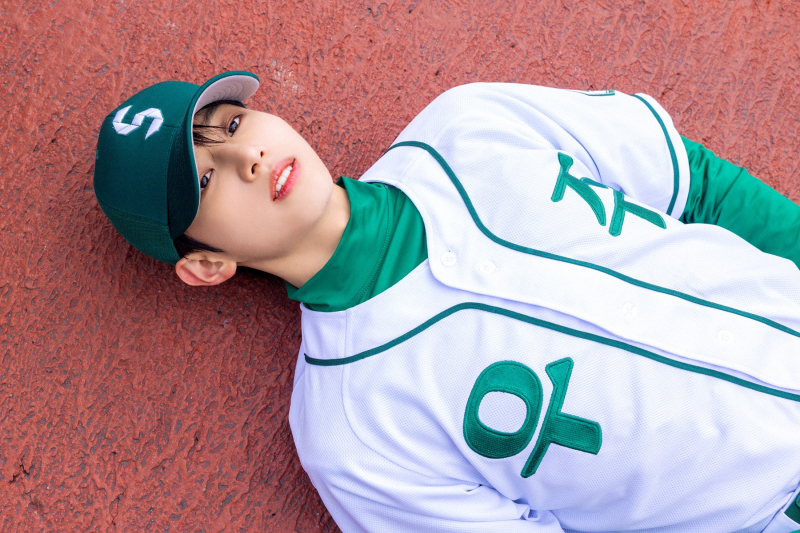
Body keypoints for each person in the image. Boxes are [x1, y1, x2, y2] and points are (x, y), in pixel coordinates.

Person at [93, 71, 800, 532]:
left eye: (231, 125)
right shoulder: (352, 435)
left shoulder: (469, 126)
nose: (245, 158)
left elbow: (695, 183)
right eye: (205, 179)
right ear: (207, 264)